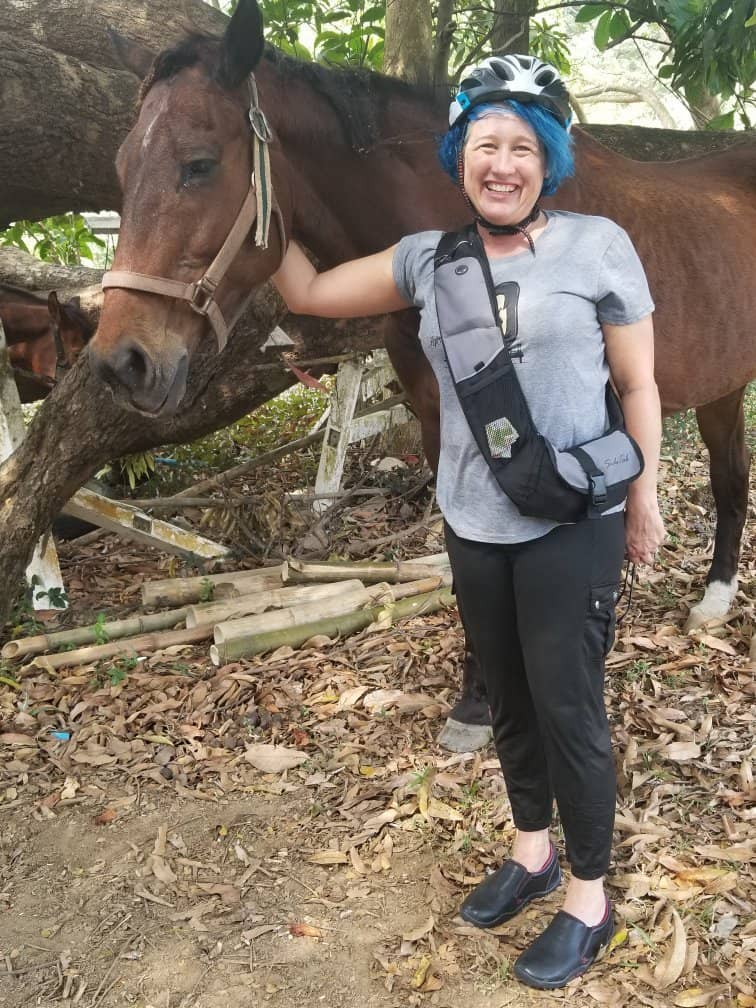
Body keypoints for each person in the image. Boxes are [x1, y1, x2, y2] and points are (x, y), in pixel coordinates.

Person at [273, 54, 665, 990]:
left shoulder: (599, 246)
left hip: (574, 519)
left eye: (523, 146)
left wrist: (645, 494)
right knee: (508, 700)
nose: (503, 162)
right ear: (460, 158)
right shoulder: (425, 259)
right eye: (485, 143)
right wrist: (260, 207)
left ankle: (588, 898)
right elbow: (307, 294)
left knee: (569, 708)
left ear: (549, 160)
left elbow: (640, 381)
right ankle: (532, 853)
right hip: (473, 522)